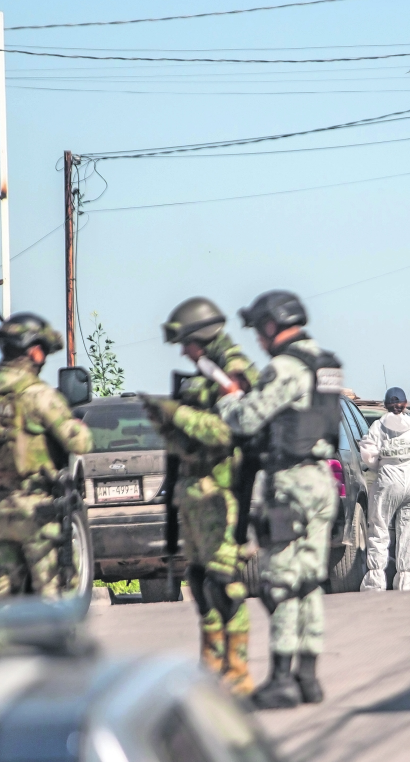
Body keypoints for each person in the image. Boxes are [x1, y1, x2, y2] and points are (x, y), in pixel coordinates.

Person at [215, 290, 342, 709]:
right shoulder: (327, 363)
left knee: (282, 581)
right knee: (310, 581)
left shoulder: (284, 367)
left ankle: (282, 679)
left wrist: (230, 397)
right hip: (324, 478)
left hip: (291, 481)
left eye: (258, 330)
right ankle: (309, 678)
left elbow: (247, 419)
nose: (257, 339)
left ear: (272, 325)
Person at [141, 297, 259, 699]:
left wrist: (176, 413)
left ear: (202, 337)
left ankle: (238, 668)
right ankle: (211, 663)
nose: (182, 352)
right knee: (197, 578)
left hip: (220, 495)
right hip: (191, 491)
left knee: (224, 583)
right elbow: (187, 440)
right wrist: (163, 422)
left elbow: (227, 430)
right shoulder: (203, 373)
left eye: (186, 343)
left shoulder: (234, 369)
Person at [0, 313, 93, 658]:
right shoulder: (38, 394)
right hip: (36, 510)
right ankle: (61, 663)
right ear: (34, 353)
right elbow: (80, 442)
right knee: (52, 593)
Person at [358, 387, 410, 592]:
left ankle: (376, 580)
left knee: (379, 528)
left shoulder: (378, 426)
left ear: (386, 405)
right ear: (405, 404)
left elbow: (368, 455)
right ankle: (404, 579)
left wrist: (381, 464)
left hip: (387, 481)